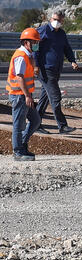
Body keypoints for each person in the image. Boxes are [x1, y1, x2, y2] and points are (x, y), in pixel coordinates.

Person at [35, 10, 79, 134]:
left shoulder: (61, 34)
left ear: (62, 21)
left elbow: (67, 48)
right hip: (45, 69)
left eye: (59, 20)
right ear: (50, 19)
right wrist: (36, 65)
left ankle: (35, 124)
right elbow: (35, 47)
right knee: (55, 96)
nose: (56, 22)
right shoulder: (43, 30)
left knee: (45, 98)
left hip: (56, 70)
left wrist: (72, 61)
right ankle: (62, 126)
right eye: (55, 19)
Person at [6, 28, 42, 161]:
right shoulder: (21, 56)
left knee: (36, 120)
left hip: (25, 95)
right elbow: (19, 77)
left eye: (37, 42)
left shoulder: (28, 55)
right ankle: (18, 152)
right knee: (18, 125)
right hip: (19, 95)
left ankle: (22, 144)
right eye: (35, 42)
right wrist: (27, 96)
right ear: (27, 42)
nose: (37, 44)